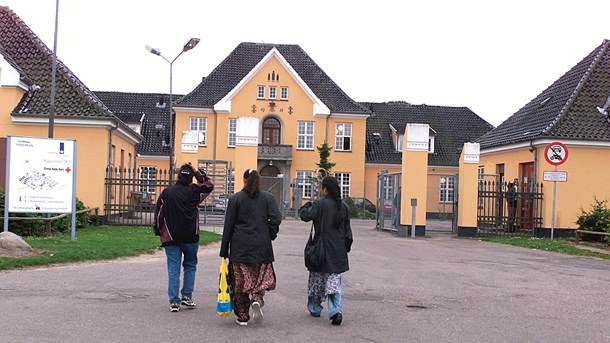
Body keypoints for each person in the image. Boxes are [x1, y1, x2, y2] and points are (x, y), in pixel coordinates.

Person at [220, 169, 282, 326]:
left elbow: (229, 225)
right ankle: (256, 298)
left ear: (244, 180)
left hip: (240, 248)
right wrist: (270, 233)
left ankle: (242, 316)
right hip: (262, 246)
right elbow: (276, 218)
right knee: (260, 278)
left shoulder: (236, 199)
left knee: (240, 283)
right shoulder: (267, 198)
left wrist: (224, 251)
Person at [153, 163, 214, 312]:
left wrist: (157, 229)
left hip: (171, 236)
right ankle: (187, 296)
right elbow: (209, 184)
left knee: (173, 268)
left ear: (179, 176)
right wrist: (196, 171)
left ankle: (174, 301)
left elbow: (159, 213)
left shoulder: (167, 193)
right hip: (191, 236)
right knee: (190, 266)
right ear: (191, 178)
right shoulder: (195, 191)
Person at [298, 176, 353, 326]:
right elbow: (348, 233)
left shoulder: (319, 204)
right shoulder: (344, 207)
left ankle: (315, 308)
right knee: (334, 282)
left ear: (325, 189)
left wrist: (308, 204)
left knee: (317, 280)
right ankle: (336, 310)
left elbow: (304, 215)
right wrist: (345, 248)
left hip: (320, 250)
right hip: (337, 251)